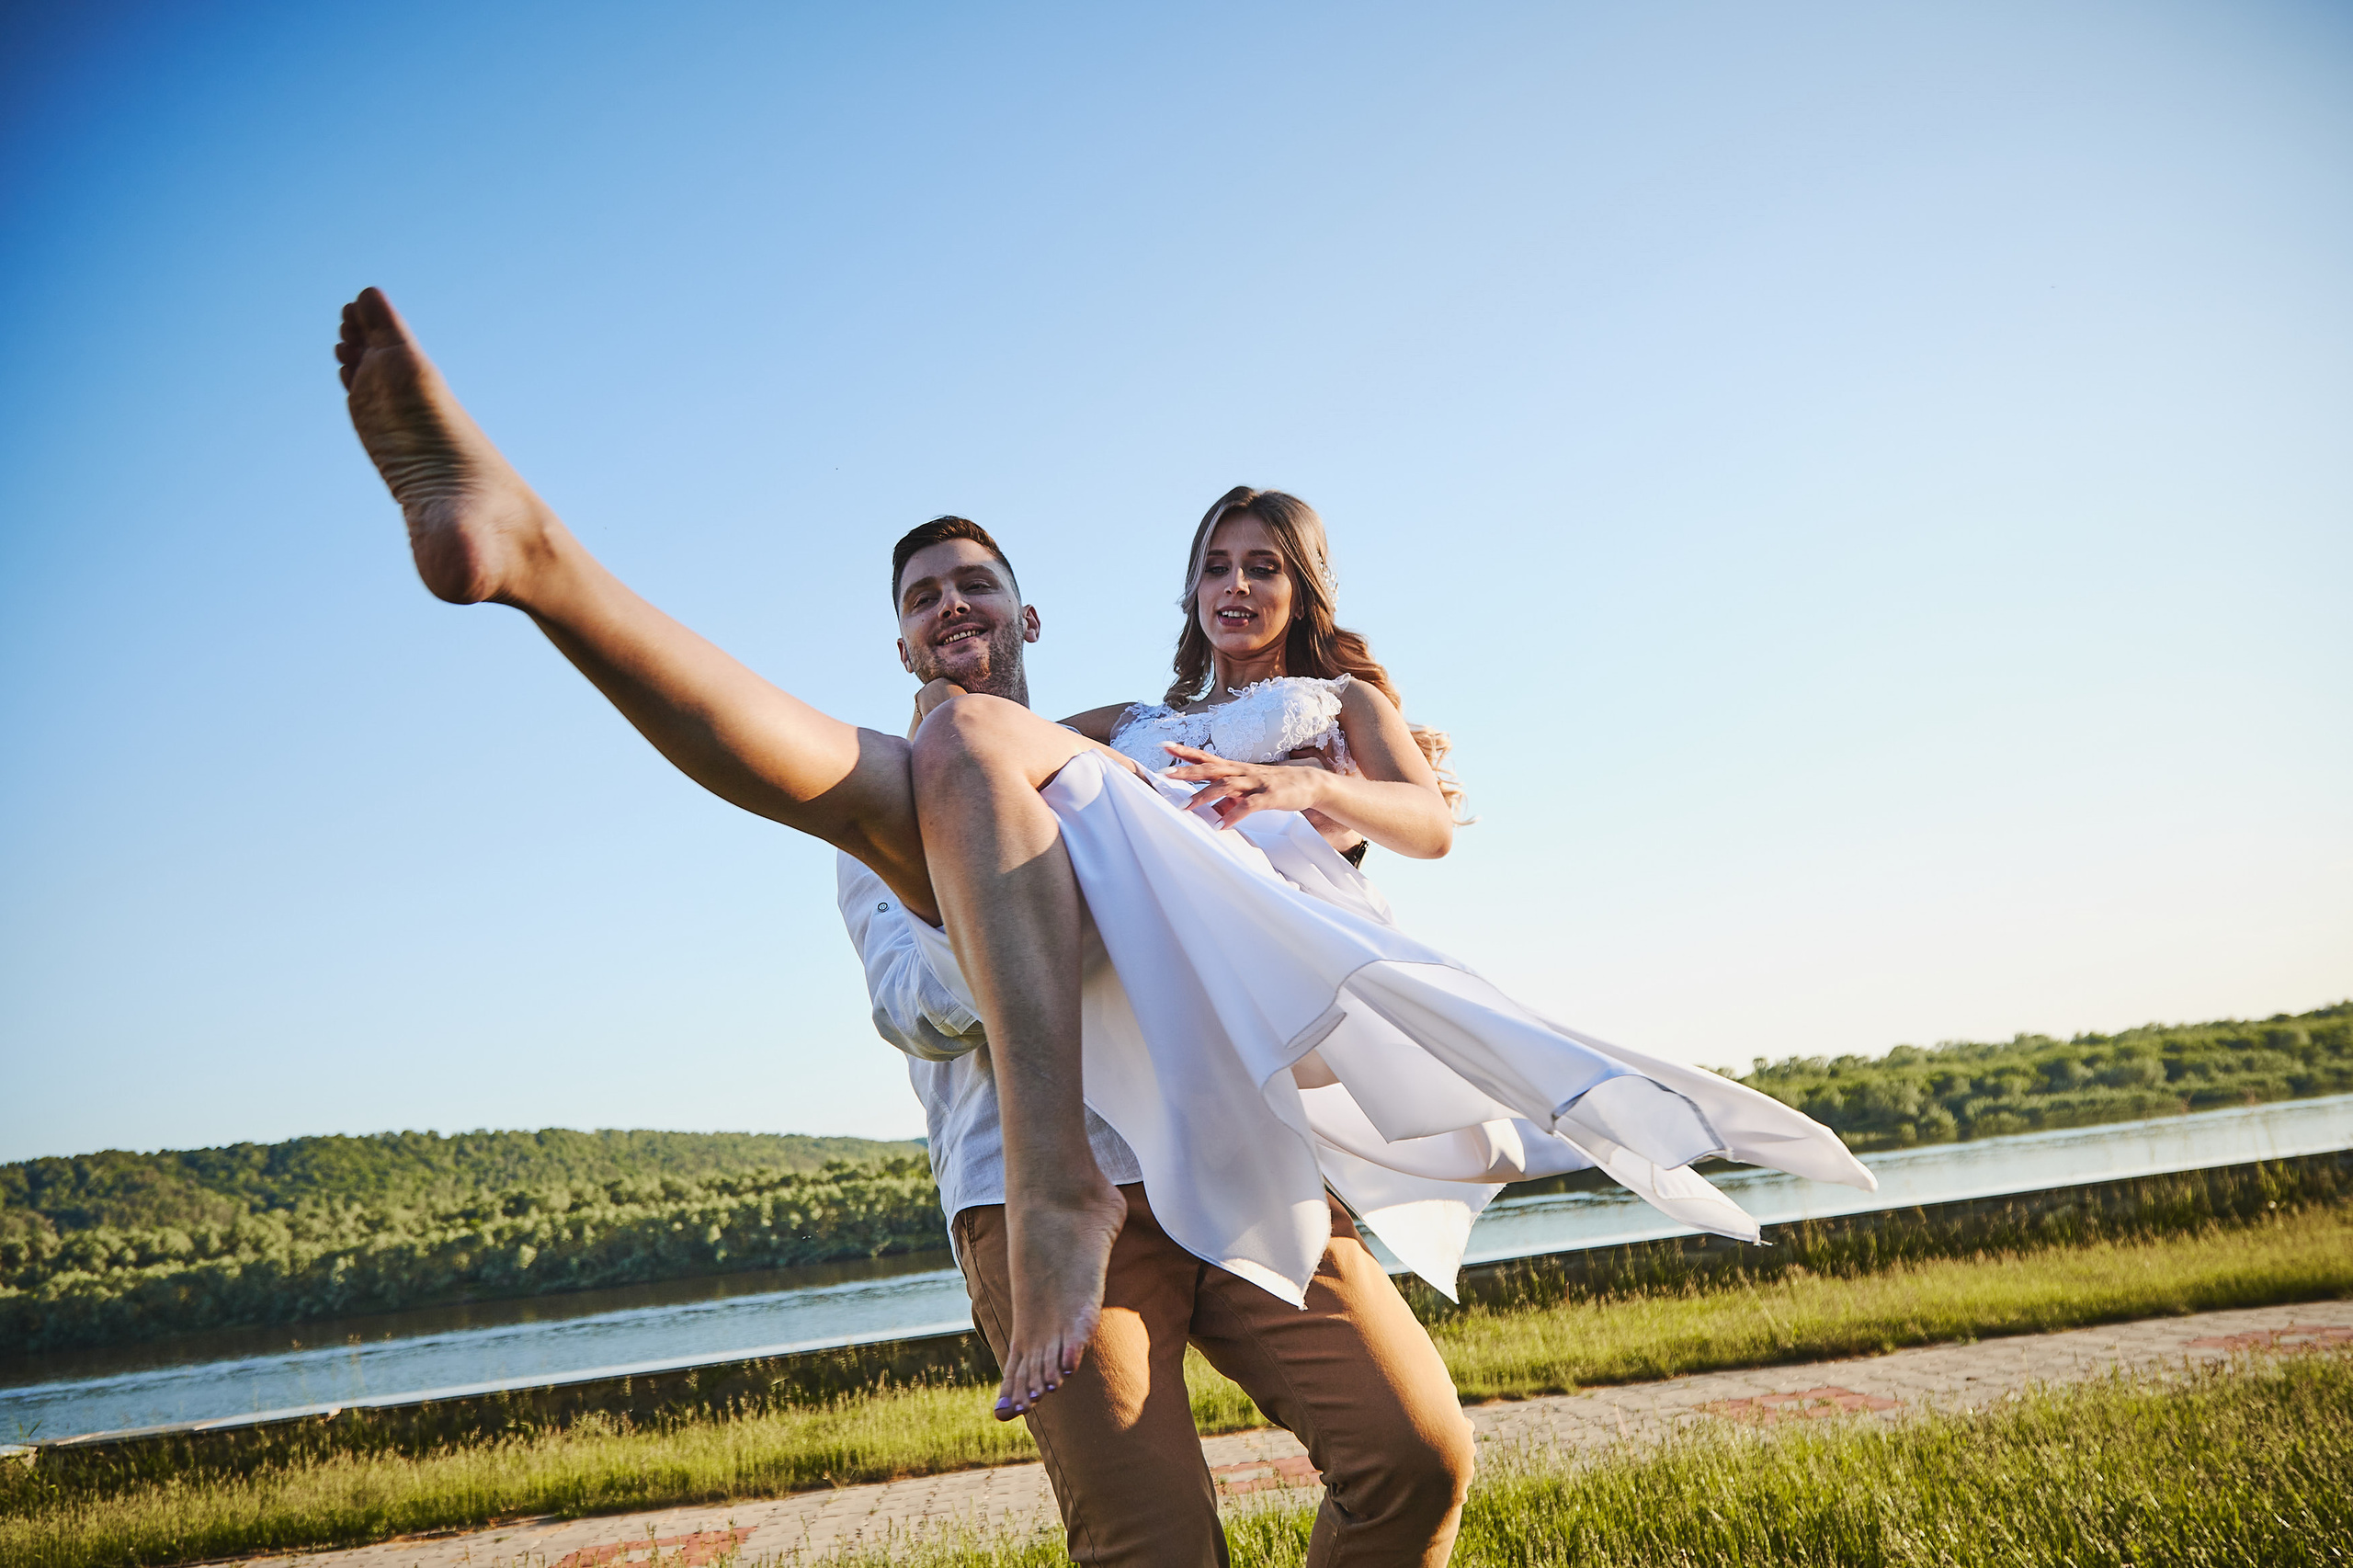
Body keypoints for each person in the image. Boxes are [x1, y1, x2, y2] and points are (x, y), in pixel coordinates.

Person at [337, 291, 1481, 1568]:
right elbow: (918, 1006)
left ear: (1027, 616)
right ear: (900, 637)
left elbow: (1285, 753)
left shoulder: (1110, 743)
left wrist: (1342, 760)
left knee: (1418, 1460)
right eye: (925, 595)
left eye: (977, 584)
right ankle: (538, 564)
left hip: (1219, 1142)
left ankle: (538, 560)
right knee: (1154, 1550)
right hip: (1032, 1192)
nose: (953, 604)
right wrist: (1035, 902)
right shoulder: (889, 818)